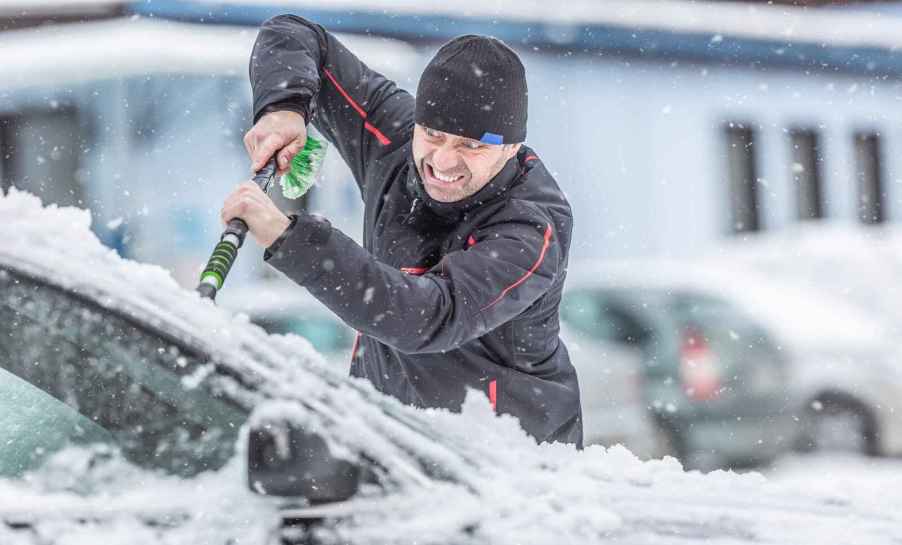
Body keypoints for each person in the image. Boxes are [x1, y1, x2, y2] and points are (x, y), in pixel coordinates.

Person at [221, 14, 582, 446]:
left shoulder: (529, 228)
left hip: (510, 464)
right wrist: (284, 107)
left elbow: (424, 318)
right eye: (433, 134)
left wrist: (289, 238)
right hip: (388, 441)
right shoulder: (392, 135)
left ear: (511, 147)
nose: (443, 161)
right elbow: (294, 34)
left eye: (472, 146)